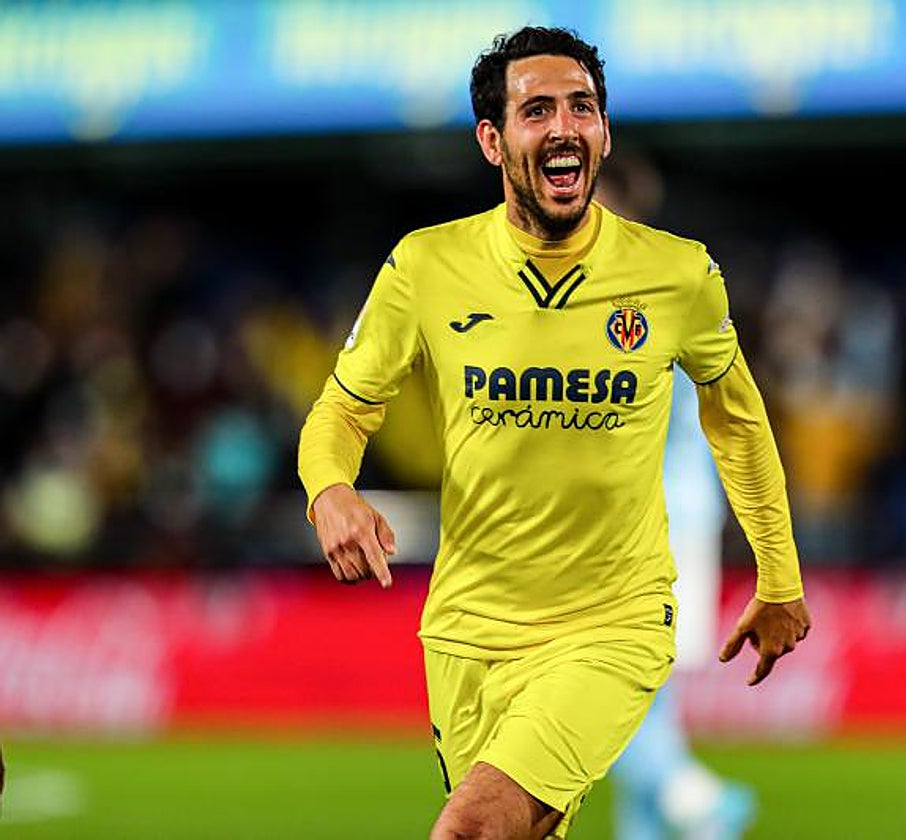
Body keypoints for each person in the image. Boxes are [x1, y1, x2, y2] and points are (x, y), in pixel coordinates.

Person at [298, 26, 810, 840]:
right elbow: (341, 409)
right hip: (466, 632)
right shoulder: (426, 266)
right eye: (538, 110)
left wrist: (779, 578)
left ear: (604, 132)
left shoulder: (678, 273)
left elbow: (738, 422)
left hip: (611, 624)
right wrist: (330, 489)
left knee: (469, 830)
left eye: (583, 107)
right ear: (493, 141)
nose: (566, 126)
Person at [611, 367, 757, 839]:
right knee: (649, 697)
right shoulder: (692, 305)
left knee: (612, 697)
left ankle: (700, 799)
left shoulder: (641, 310)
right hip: (686, 515)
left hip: (644, 525)